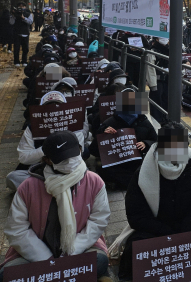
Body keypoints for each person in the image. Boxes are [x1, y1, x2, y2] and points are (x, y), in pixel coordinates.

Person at [115, 124, 191, 278]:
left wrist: (184, 230)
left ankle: (170, 263)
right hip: (156, 230)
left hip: (184, 226)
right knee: (135, 249)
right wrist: (166, 233)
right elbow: (136, 216)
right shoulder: (145, 173)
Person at [1, 131, 110, 281]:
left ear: (80, 149)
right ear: (47, 160)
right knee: (7, 274)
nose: (70, 161)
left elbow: (98, 220)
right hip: (38, 255)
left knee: (100, 261)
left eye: (73, 154)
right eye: (62, 159)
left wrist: (71, 252)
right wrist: (47, 260)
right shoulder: (28, 187)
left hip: (78, 249)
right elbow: (16, 229)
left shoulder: (94, 181)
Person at [7, 91, 86, 191]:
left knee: (85, 174)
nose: (53, 112)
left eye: (57, 107)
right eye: (49, 108)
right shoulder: (32, 128)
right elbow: (24, 158)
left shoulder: (74, 125)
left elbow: (77, 156)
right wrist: (47, 149)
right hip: (41, 171)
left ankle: (43, 190)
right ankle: (53, 188)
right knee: (13, 177)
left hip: (67, 171)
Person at [95, 90, 157, 189]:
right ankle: (132, 183)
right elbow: (94, 150)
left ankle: (124, 183)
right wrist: (103, 132)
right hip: (117, 163)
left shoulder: (144, 122)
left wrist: (146, 143)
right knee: (102, 167)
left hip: (137, 161)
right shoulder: (110, 122)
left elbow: (156, 141)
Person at [10, 2, 33, 67]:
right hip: (17, 33)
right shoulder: (15, 14)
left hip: (25, 33)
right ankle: (16, 61)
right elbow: (11, 23)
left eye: (23, 6)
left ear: (25, 7)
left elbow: (30, 22)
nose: (21, 8)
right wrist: (13, 15)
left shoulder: (28, 13)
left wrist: (23, 18)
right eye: (20, 6)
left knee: (25, 48)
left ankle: (24, 61)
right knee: (16, 48)